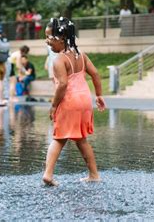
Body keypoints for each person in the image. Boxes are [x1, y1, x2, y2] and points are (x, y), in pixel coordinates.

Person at [42, 17, 106, 186]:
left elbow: (63, 84)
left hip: (69, 102)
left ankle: (48, 174)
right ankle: (94, 174)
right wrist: (99, 95)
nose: (47, 41)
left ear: (62, 38)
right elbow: (96, 74)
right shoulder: (81, 55)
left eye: (49, 37)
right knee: (81, 139)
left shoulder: (59, 60)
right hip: (84, 101)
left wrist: (54, 105)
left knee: (58, 138)